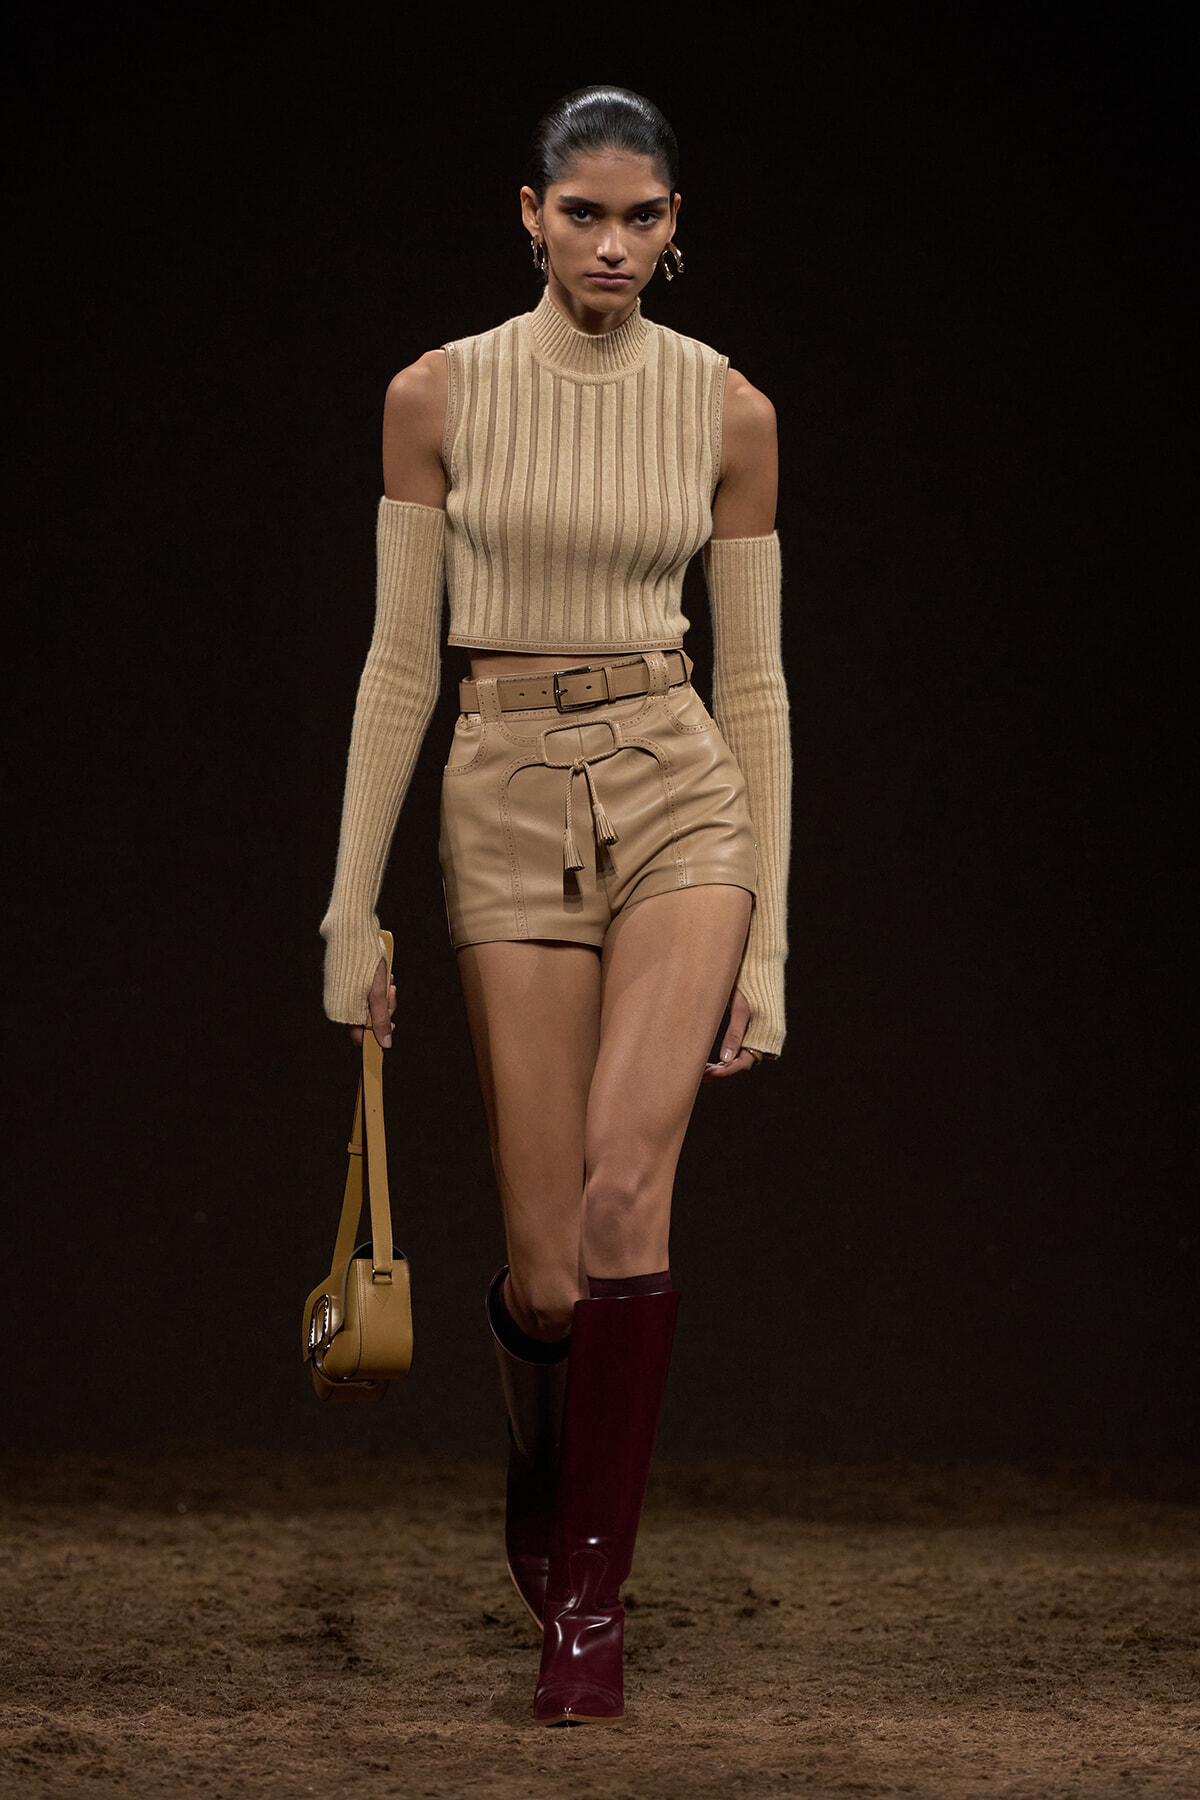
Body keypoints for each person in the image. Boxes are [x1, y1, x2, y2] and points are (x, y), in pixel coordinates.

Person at [319, 85, 791, 1726]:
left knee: (623, 1192)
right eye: (582, 212)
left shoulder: (729, 409)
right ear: (529, 213)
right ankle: (546, 1468)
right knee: (544, 1277)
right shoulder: (437, 394)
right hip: (504, 786)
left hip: (677, 778)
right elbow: (399, 660)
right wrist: (350, 908)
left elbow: (758, 683)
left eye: (640, 216)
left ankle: (588, 1606)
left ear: (674, 225)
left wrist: (771, 936)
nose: (611, 243)